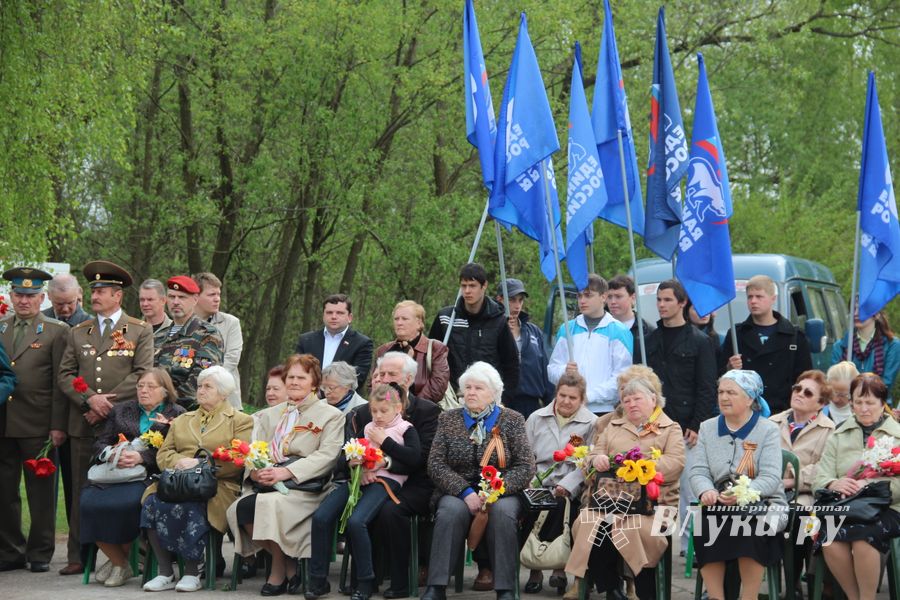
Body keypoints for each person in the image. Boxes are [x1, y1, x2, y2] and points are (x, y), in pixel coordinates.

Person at [57, 260, 154, 576]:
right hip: (83, 421)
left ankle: (126, 555)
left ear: (118, 295)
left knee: (122, 489)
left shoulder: (138, 329)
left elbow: (142, 373)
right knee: (79, 491)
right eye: (93, 290)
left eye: (101, 290)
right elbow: (65, 374)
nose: (94, 295)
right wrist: (89, 399)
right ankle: (78, 556)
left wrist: (107, 403)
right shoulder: (78, 332)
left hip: (121, 425)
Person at [226, 354, 344, 596]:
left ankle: (277, 572)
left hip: (306, 487)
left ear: (314, 382)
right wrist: (256, 472)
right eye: (290, 377)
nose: (294, 382)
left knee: (269, 506)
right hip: (268, 482)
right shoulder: (269, 414)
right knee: (240, 509)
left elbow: (328, 456)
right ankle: (291, 566)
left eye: (302, 377)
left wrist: (286, 471)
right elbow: (254, 448)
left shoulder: (331, 415)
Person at [566, 367, 685, 600]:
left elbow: (675, 464)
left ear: (653, 399)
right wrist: (596, 460)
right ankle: (611, 588)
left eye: (637, 399)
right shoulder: (612, 426)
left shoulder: (670, 428)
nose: (631, 404)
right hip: (609, 500)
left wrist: (642, 467)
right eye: (625, 400)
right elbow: (589, 460)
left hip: (656, 505)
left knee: (632, 528)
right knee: (589, 523)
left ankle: (645, 592)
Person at [421, 362, 535, 600]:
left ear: (494, 393)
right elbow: (436, 464)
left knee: (503, 513)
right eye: (468, 388)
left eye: (479, 388)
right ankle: (437, 586)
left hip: (502, 491)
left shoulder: (512, 419)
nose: (471, 392)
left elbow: (526, 466)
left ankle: (505, 589)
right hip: (458, 491)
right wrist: (464, 492)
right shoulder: (448, 419)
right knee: (449, 512)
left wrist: (495, 491)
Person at [141, 366, 254, 592]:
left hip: (218, 486)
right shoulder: (184, 419)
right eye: (200, 386)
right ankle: (165, 572)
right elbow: (163, 454)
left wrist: (200, 464)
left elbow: (237, 460)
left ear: (223, 393)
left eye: (207, 387)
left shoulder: (240, 421)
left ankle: (192, 572)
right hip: (176, 482)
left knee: (190, 506)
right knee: (151, 503)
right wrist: (180, 462)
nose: (200, 391)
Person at [308, 384, 421, 600]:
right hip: (358, 481)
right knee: (321, 517)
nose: (378, 416)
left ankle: (366, 581)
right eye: (374, 411)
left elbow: (414, 459)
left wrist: (384, 446)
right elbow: (344, 456)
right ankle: (318, 580)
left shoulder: (406, 429)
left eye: (383, 411)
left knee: (356, 522)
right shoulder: (368, 427)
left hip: (385, 483)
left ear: (398, 408)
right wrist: (351, 461)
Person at [79, 368, 185, 587]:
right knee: (88, 504)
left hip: (148, 475)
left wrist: (141, 457)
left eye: (150, 387)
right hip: (112, 473)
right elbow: (100, 441)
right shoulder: (120, 411)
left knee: (128, 504)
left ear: (165, 391)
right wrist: (111, 454)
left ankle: (117, 563)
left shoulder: (177, 414)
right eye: (140, 386)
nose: (143, 391)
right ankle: (120, 563)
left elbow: (180, 450)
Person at [690, 370, 788, 600]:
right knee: (705, 523)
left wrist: (744, 494)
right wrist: (706, 491)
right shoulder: (707, 427)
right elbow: (699, 471)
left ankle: (749, 597)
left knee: (750, 528)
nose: (724, 397)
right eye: (721, 392)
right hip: (719, 502)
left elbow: (772, 477)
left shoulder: (768, 430)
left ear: (750, 399)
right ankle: (716, 596)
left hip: (764, 503)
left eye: (731, 392)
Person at [353, 351, 441, 599]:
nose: (385, 378)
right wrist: (361, 469)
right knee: (356, 507)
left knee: (390, 511)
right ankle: (365, 579)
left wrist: (386, 461)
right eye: (381, 374)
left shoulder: (428, 411)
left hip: (416, 483)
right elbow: (348, 451)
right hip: (374, 480)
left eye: (392, 374)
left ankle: (400, 579)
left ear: (410, 379)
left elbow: (422, 459)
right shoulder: (365, 412)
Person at [644, 279, 717, 557]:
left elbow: (707, 386)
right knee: (653, 490)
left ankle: (690, 547)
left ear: (682, 303)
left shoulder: (700, 341)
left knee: (688, 491)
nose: (662, 305)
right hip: (654, 425)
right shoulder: (648, 340)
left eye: (667, 300)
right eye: (659, 300)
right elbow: (641, 383)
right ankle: (656, 543)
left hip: (686, 426)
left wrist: (697, 424)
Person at [0, 268, 66, 573]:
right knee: (4, 491)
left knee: (40, 493)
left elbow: (59, 383)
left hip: (39, 423)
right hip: (3, 423)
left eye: (30, 295)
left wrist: (57, 425)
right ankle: (10, 550)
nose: (24, 300)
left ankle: (40, 552)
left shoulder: (56, 330)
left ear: (42, 297)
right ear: (11, 296)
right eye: (19, 294)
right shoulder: (0, 327)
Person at [814, 372, 900, 600]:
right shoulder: (839, 433)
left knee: (864, 539)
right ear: (851, 403)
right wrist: (834, 482)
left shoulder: (897, 435)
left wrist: (870, 486)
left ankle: (867, 597)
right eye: (858, 402)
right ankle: (855, 597)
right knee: (829, 538)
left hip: (888, 507)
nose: (863, 408)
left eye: (870, 403)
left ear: (883, 404)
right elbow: (820, 475)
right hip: (846, 505)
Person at [524, 373, 596, 594]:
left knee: (561, 505)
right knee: (530, 507)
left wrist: (567, 485)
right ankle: (534, 569)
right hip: (539, 481)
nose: (566, 401)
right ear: (555, 394)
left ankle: (559, 568)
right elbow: (526, 455)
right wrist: (531, 482)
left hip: (571, 485)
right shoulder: (536, 417)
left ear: (582, 399)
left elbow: (588, 463)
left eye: (572, 398)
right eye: (562, 395)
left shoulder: (591, 422)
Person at [769, 370, 835, 597]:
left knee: (799, 517)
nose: (799, 394)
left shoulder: (829, 429)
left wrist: (791, 480)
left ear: (821, 403)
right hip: (770, 491)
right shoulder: (772, 422)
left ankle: (793, 583)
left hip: (805, 495)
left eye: (808, 393)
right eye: (797, 388)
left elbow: (826, 467)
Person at [41, 272, 89, 543]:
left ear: (79, 294)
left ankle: (78, 545)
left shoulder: (90, 324)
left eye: (71, 302)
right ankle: (42, 544)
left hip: (77, 415)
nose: (66, 309)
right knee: (42, 485)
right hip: (40, 413)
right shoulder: (43, 321)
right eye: (60, 304)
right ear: (49, 298)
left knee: (76, 485)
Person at [428, 263, 519, 405]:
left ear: (484, 286)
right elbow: (430, 357)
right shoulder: (446, 318)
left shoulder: (498, 321)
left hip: (488, 400)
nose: (467, 291)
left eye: (472, 285)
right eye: (463, 286)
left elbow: (511, 364)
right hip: (451, 399)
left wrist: (504, 400)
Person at [720, 275, 813, 414]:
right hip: (746, 412)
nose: (753, 301)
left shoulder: (794, 337)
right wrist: (729, 368)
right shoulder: (736, 335)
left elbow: (805, 379)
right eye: (750, 297)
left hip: (783, 412)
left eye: (759, 296)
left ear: (773, 299)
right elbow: (719, 377)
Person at [548, 274, 633, 416]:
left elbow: (622, 378)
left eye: (588, 295)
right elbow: (551, 370)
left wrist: (588, 396)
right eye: (579, 296)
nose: (582, 301)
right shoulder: (567, 328)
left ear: (603, 297)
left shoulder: (619, 331)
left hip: (603, 411)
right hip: (569, 410)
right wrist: (564, 370)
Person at [153, 275, 224, 409]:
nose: (176, 302)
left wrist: (167, 405)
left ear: (195, 300)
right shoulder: (159, 336)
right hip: (153, 410)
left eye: (182, 297)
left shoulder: (208, 334)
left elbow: (203, 378)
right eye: (172, 297)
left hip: (189, 413)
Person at [494, 279, 553, 419]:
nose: (517, 305)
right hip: (501, 404)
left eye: (520, 300)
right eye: (512, 300)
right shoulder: (492, 329)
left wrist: (551, 404)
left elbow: (545, 369)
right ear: (499, 299)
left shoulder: (533, 331)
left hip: (531, 405)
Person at [375, 300, 449, 404]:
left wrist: (411, 407)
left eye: (404, 319)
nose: (399, 323)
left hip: (422, 413)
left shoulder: (436, 348)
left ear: (419, 323)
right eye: (396, 319)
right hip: (387, 411)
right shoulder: (384, 350)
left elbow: (437, 387)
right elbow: (374, 383)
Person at [295, 294, 373, 390]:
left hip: (343, 402)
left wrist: (325, 392)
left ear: (350, 317)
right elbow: (297, 372)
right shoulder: (306, 340)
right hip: (308, 399)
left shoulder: (362, 343)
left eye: (339, 313)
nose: (334, 317)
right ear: (323, 315)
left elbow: (357, 379)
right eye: (329, 312)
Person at [193, 272, 244, 409]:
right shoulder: (184, 323)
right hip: (190, 399)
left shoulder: (231, 323)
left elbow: (231, 359)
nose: (217, 299)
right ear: (196, 297)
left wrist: (207, 384)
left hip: (225, 400)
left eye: (218, 294)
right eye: (211, 295)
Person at [831, 307, 900, 392]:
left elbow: (886, 384)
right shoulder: (840, 346)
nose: (856, 313)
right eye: (853, 309)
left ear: (877, 314)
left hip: (877, 403)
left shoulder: (892, 345)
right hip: (844, 403)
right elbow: (834, 382)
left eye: (861, 308)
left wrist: (860, 398)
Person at [606, 275, 655, 365]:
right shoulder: (600, 329)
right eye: (609, 297)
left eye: (618, 296)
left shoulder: (648, 332)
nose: (613, 301)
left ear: (633, 298)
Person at [685, 298, 724, 364]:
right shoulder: (679, 337)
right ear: (686, 312)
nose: (704, 312)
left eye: (707, 307)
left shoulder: (720, 339)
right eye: (697, 308)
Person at [823, 361, 859, 426]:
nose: (835, 399)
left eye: (842, 395)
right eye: (832, 393)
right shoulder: (819, 410)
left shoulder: (863, 415)